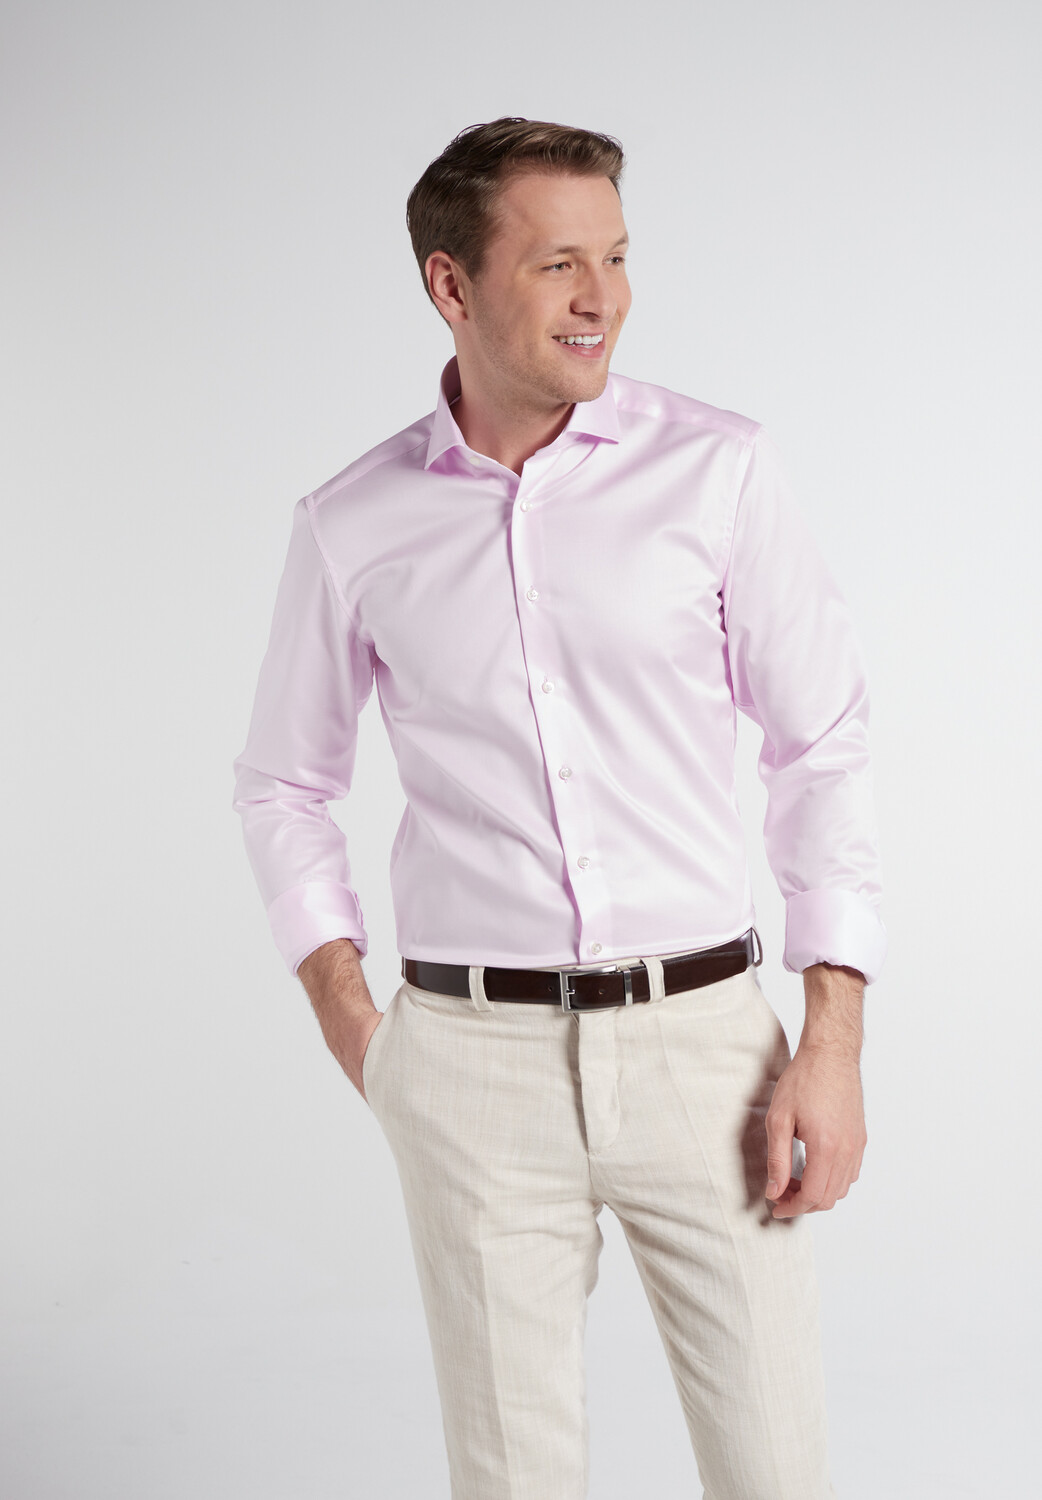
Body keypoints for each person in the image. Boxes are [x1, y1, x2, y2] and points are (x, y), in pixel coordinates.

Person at [231, 115, 886, 1500]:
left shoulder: (717, 470)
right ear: (450, 285)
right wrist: (360, 1027)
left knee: (775, 1474)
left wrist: (830, 1039)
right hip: (470, 1067)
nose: (603, 299)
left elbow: (821, 741)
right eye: (557, 265)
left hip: (708, 1053)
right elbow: (285, 783)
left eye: (618, 257)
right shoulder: (352, 523)